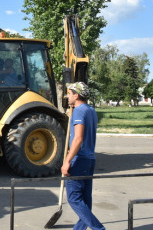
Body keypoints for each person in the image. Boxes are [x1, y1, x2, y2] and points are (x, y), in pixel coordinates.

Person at [61, 82, 105, 230]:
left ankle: (99, 228)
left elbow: (78, 139)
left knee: (74, 199)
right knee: (85, 200)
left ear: (76, 95)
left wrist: (67, 161)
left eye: (70, 93)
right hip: (90, 159)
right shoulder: (90, 110)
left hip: (79, 160)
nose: (67, 96)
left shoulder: (79, 111)